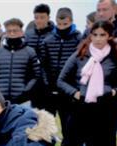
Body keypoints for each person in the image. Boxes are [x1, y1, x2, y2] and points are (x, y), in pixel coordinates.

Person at [0, 18, 43, 106]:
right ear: (5, 33)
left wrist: (25, 91)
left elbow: (36, 76)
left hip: (23, 101)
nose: (12, 33)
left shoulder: (30, 52)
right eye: (9, 31)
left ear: (21, 32)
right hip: (1, 101)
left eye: (15, 31)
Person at [41, 7, 83, 136]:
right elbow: (43, 65)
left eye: (65, 24)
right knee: (46, 124)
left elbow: (80, 65)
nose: (62, 27)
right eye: (59, 24)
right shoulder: (48, 40)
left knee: (69, 126)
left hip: (68, 90)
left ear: (71, 21)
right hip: (50, 90)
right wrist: (47, 84)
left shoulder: (79, 39)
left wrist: (75, 87)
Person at [26, 4, 55, 110]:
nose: (39, 20)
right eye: (36, 17)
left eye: (42, 17)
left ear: (48, 17)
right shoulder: (28, 35)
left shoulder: (54, 34)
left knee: (50, 117)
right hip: (33, 83)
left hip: (49, 82)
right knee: (34, 117)